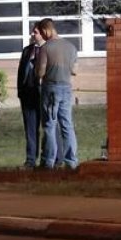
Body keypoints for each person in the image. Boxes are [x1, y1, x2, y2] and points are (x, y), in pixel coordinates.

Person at [36, 18, 78, 170]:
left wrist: (38, 70)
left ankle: (49, 161)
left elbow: (40, 71)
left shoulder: (45, 48)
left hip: (50, 88)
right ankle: (71, 162)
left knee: (49, 125)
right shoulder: (71, 47)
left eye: (41, 32)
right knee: (67, 125)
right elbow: (75, 71)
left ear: (46, 30)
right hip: (66, 87)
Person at [17, 24, 46, 168]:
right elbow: (20, 72)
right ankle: (30, 160)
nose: (32, 35)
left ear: (43, 33)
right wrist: (20, 91)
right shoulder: (27, 51)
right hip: (28, 93)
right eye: (32, 32)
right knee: (30, 128)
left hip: (43, 93)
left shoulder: (49, 49)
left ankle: (49, 159)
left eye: (35, 32)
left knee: (48, 127)